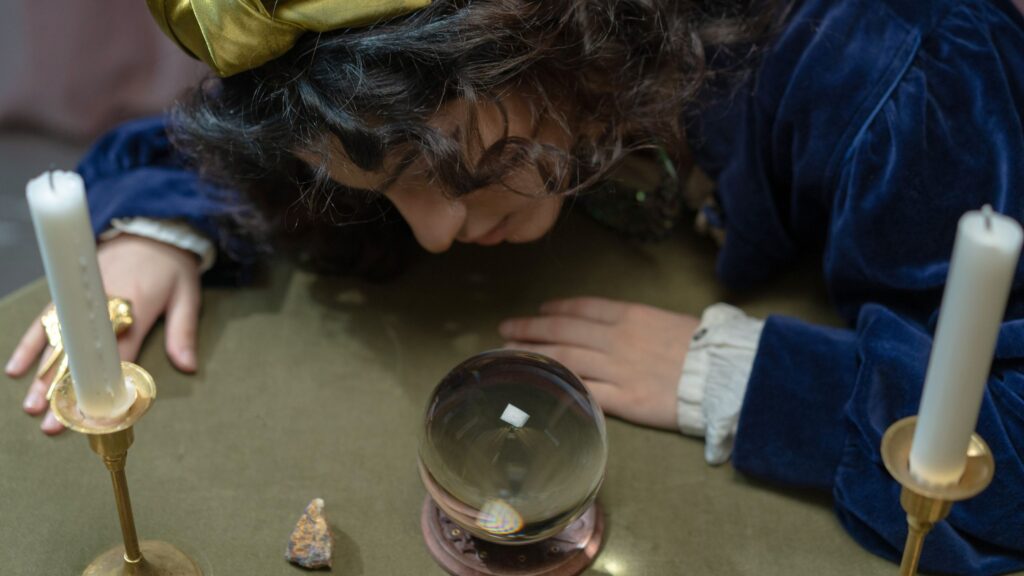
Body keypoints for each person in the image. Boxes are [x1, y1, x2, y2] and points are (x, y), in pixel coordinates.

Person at [6, 0, 1024, 573]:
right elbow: (199, 143)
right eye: (380, 186)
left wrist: (745, 379)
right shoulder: (453, 84)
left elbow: (1003, 428)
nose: (438, 238)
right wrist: (157, 224)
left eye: (436, 173)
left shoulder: (900, 70)